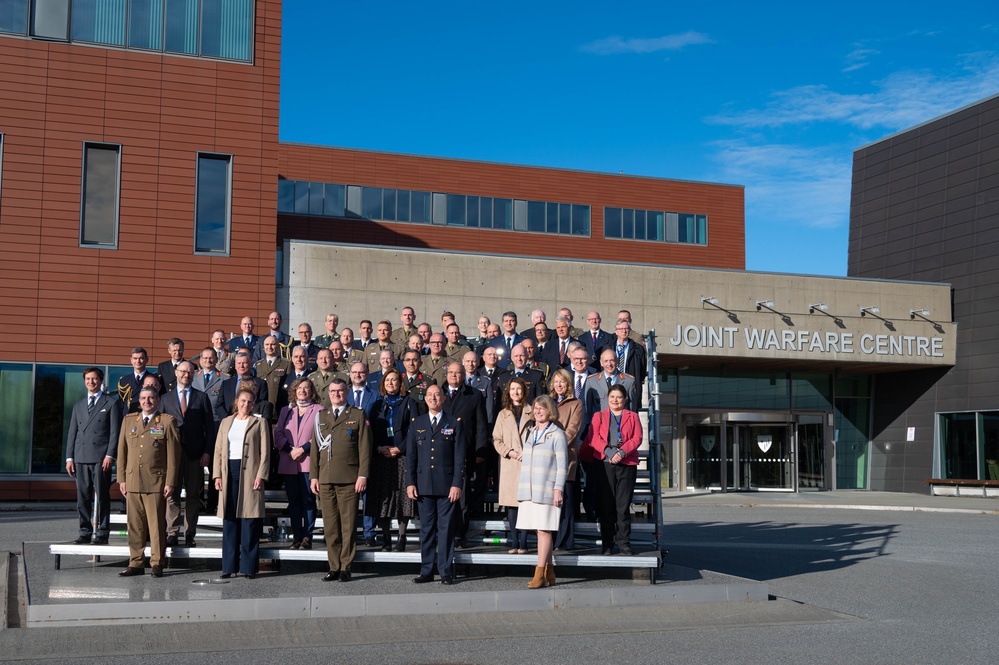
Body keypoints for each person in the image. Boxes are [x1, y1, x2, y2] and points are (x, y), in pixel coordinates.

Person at [310, 379, 371, 582]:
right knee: (330, 526)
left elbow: (364, 448)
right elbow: (315, 450)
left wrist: (362, 475)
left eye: (341, 391)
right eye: (333, 391)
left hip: (349, 479)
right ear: (328, 393)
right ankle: (333, 566)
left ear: (347, 392)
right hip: (326, 478)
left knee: (348, 524)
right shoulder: (321, 416)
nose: (337, 394)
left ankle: (346, 566)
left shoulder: (357, 415)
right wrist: (314, 476)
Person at [117, 386, 181, 577]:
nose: (147, 401)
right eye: (143, 398)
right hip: (133, 481)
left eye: (151, 398)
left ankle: (157, 563)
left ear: (158, 400)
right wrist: (122, 478)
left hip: (156, 482)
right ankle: (135, 562)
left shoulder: (167, 422)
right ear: (139, 401)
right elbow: (122, 452)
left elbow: (173, 457)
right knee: (134, 525)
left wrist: (170, 481)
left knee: (156, 526)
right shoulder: (129, 421)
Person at [406, 385, 464, 585]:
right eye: (430, 395)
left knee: (446, 529)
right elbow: (411, 457)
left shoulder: (454, 423)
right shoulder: (417, 423)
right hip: (423, 485)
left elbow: (459, 456)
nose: (433, 398)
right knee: (426, 530)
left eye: (437, 395)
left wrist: (457, 484)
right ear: (426, 399)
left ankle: (446, 571)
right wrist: (410, 482)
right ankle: (427, 570)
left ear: (443, 398)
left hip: (447, 485)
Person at [212, 386, 271, 578]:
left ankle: (248, 567)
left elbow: (265, 452)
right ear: (236, 402)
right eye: (243, 401)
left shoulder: (259, 422)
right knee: (230, 519)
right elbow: (218, 450)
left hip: (251, 474)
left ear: (254, 404)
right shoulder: (226, 422)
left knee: (249, 520)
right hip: (229, 472)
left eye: (250, 402)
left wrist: (261, 475)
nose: (246, 405)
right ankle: (229, 567)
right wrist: (217, 475)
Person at [581, 384, 642, 556]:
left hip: (626, 462)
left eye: (619, 397)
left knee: (622, 507)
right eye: (612, 397)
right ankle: (607, 544)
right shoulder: (598, 416)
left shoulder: (633, 417)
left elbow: (637, 438)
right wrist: (609, 451)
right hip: (604, 462)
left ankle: (624, 543)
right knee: (606, 505)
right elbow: (594, 437)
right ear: (608, 399)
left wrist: (621, 452)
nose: (615, 400)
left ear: (625, 399)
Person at [66, 367, 122, 545]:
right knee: (83, 497)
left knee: (103, 496)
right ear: (85, 381)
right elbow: (72, 434)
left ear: (101, 381)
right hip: (81, 457)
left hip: (101, 458)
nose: (91, 382)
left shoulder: (111, 403)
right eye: (88, 379)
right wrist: (69, 458)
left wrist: (109, 455)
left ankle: (103, 532)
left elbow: (115, 433)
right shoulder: (79, 405)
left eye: (95, 379)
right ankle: (84, 531)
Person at [365, 368, 420, 551]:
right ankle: (386, 539)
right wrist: (378, 448)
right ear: (383, 383)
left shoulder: (409, 402)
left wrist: (400, 448)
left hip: (402, 456)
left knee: (402, 499)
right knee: (384, 499)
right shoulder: (377, 404)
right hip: (381, 457)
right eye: (388, 380)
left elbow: (414, 430)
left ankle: (401, 538)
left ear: (400, 383)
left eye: (394, 380)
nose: (391, 383)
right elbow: (369, 432)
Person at [161, 361, 214, 547]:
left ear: (194, 374)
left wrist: (207, 452)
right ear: (176, 372)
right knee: (172, 494)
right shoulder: (165, 399)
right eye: (183, 371)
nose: (186, 375)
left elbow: (210, 428)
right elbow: (159, 429)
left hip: (195, 454)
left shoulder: (202, 397)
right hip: (172, 456)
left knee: (193, 495)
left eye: (190, 372)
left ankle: (190, 533)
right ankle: (172, 533)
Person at [517, 395, 567, 589]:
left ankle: (539, 574)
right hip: (530, 489)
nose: (537, 412)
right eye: (536, 408)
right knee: (539, 530)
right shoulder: (530, 432)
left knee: (544, 530)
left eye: (542, 409)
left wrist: (558, 489)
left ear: (550, 411)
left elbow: (562, 466)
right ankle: (549, 570)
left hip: (547, 488)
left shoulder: (557, 434)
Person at [441, 361, 489, 548]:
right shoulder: (438, 393)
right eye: (451, 372)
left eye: (458, 373)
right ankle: (444, 533)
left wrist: (480, 450)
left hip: (465, 453)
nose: (454, 376)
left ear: (464, 375)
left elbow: (481, 425)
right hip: (442, 454)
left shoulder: (474, 395)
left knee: (462, 498)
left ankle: (459, 534)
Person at [274, 378, 321, 550]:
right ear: (294, 391)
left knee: (308, 500)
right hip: (289, 460)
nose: (302, 391)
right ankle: (296, 536)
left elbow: (319, 435)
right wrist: (289, 449)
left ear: (312, 391)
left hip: (308, 461)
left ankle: (307, 537)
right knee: (294, 501)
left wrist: (303, 449)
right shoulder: (286, 410)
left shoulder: (319, 410)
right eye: (299, 388)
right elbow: (278, 433)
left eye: (306, 388)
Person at [492, 377, 532, 554]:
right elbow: (496, 439)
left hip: (526, 462)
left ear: (524, 391)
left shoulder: (532, 412)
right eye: (513, 389)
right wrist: (509, 452)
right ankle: (514, 541)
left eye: (519, 389)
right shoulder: (503, 414)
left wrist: (528, 452)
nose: (516, 392)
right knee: (511, 505)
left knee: (525, 504)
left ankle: (523, 542)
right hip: (510, 463)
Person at [550, 368, 583, 551]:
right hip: (548, 460)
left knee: (567, 502)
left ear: (568, 383)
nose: (559, 385)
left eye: (562, 381)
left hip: (566, 458)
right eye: (556, 382)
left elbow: (573, 429)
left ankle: (565, 542)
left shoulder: (576, 403)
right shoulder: (548, 402)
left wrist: (555, 443)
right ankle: (552, 541)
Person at [117, 347, 154, 413]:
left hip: (146, 414)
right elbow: (121, 403)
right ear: (131, 360)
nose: (138, 361)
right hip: (128, 417)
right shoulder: (124, 380)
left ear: (147, 360)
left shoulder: (153, 379)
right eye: (135, 358)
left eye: (141, 358)